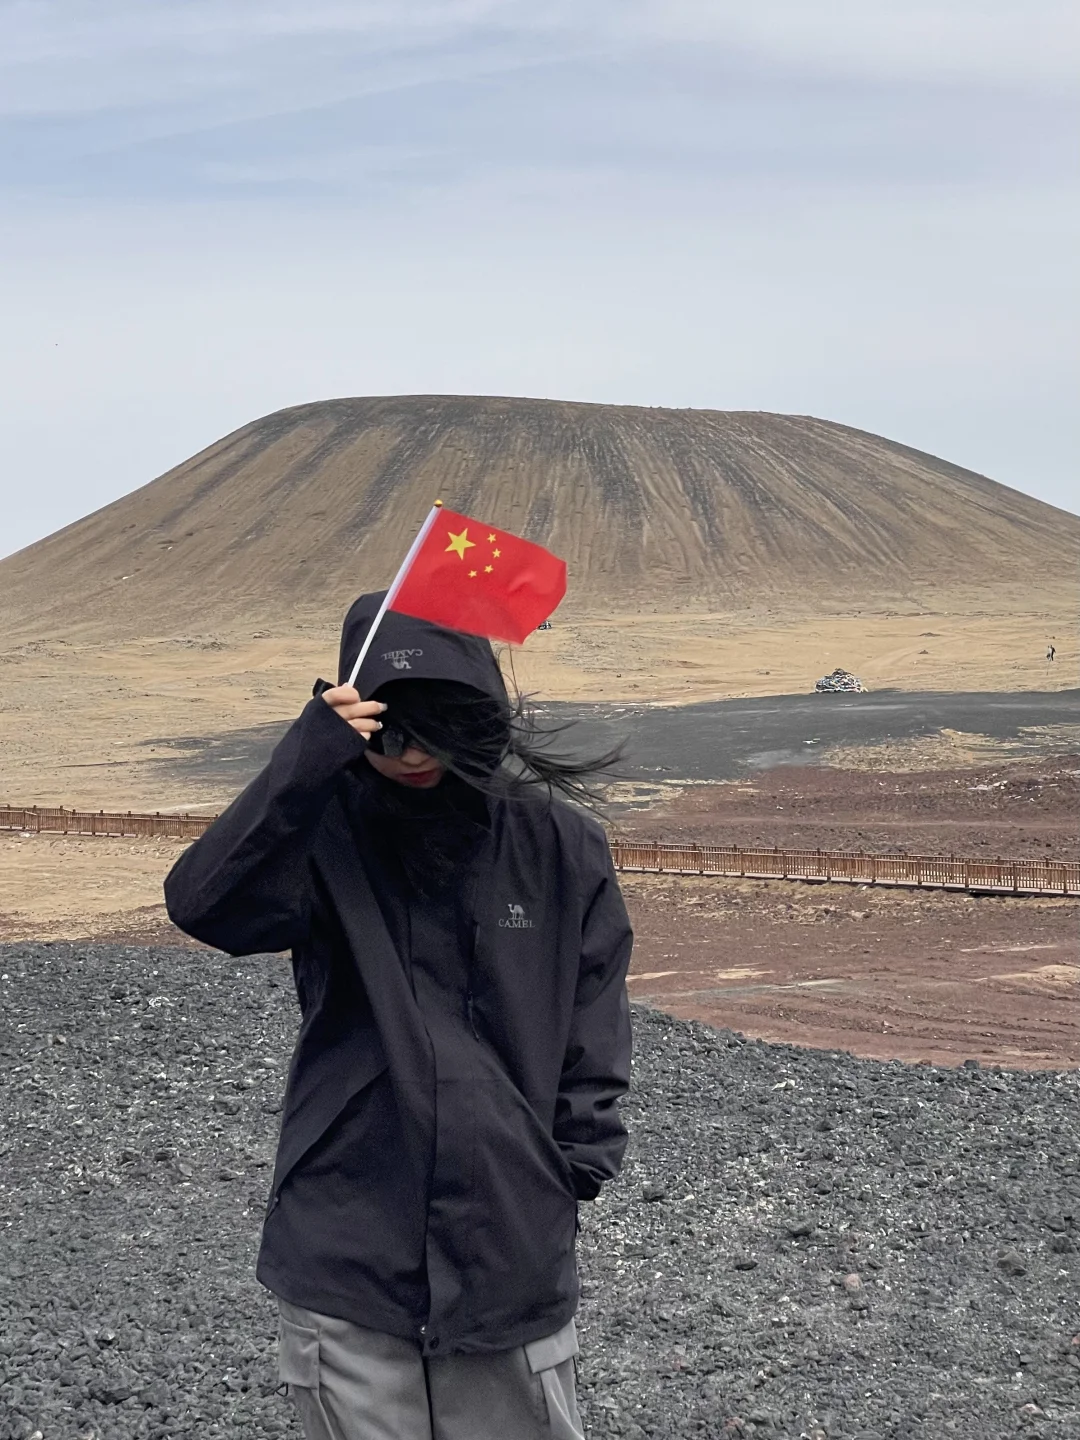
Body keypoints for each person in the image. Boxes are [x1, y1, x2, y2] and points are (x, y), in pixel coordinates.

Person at [163, 591, 634, 1440]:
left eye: (433, 724)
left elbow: (593, 1017)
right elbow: (205, 907)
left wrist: (568, 1170)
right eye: (385, 728)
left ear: (475, 713)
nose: (409, 752)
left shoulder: (556, 845)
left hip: (509, 1246)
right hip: (345, 1242)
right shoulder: (322, 832)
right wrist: (303, 761)